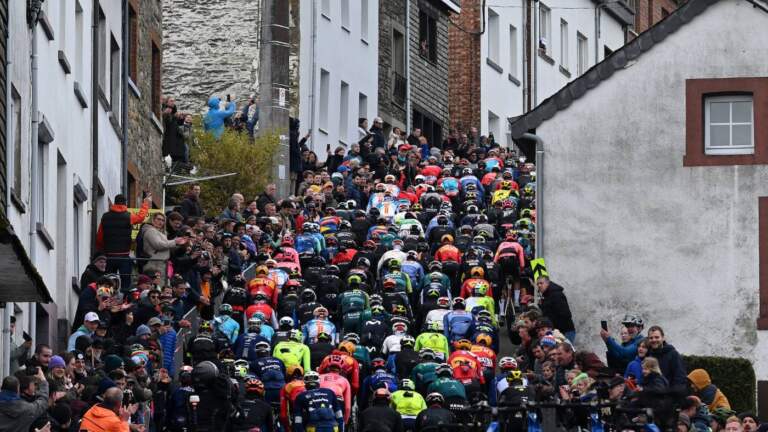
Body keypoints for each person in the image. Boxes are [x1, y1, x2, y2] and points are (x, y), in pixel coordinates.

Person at [95, 193, 152, 291]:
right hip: (124, 256)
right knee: (126, 283)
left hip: (109, 256)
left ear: (115, 203)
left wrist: (101, 250)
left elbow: (100, 237)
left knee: (107, 282)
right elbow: (141, 217)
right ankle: (124, 298)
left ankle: (106, 298)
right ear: (125, 203)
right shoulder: (128, 216)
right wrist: (145, 203)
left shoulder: (105, 217)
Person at [141, 212, 187, 278]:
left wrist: (181, 244)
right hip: (154, 263)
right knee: (156, 283)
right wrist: (175, 241)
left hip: (161, 262)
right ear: (153, 220)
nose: (161, 222)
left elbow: (166, 245)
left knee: (162, 283)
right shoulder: (151, 231)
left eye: (163, 220)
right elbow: (158, 245)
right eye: (158, 219)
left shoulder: (161, 232)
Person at [646, 325, 687, 392]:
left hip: (668, 394)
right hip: (653, 394)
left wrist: (672, 395)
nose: (654, 340)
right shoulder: (649, 355)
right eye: (651, 338)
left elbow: (680, 378)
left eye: (657, 337)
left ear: (663, 338)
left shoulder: (673, 355)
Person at [536, 276, 575, 342]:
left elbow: (565, 314)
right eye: (538, 284)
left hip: (565, 332)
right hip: (557, 331)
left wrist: (553, 327)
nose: (539, 285)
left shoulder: (556, 295)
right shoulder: (546, 296)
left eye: (541, 283)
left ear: (548, 283)